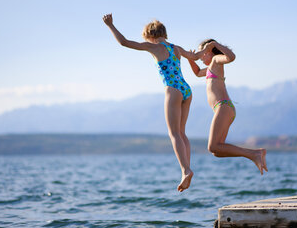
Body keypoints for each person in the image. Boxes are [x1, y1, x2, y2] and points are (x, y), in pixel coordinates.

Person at [103, 14, 214, 191]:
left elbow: (124, 42)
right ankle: (187, 168)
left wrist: (111, 25)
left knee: (174, 134)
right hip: (186, 89)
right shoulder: (176, 48)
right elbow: (196, 56)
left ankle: (186, 170)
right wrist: (207, 48)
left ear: (150, 35)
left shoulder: (153, 47)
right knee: (182, 133)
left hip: (172, 89)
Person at [187, 39, 268, 175]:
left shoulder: (216, 60)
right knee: (217, 151)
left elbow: (231, 57)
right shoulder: (209, 69)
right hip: (223, 108)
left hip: (223, 107)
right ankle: (254, 154)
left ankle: (254, 154)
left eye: (202, 53)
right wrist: (191, 59)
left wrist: (215, 45)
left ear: (210, 52)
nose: (200, 56)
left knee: (212, 146)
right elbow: (197, 72)